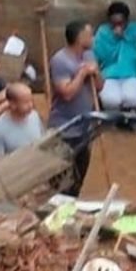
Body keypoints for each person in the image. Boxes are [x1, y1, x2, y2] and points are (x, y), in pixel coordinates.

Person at [49, 20, 103, 196]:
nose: (93, 38)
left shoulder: (90, 55)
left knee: (79, 176)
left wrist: (95, 73)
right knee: (60, 180)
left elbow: (99, 87)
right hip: (65, 128)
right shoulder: (60, 60)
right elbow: (67, 93)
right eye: (90, 35)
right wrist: (82, 73)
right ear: (80, 38)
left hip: (85, 128)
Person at [93, 2, 136, 109]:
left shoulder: (134, 30)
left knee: (131, 100)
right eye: (114, 23)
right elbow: (99, 55)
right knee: (111, 101)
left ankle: (128, 116)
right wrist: (115, 38)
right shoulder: (103, 32)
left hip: (131, 75)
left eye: (121, 23)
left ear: (127, 21)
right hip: (109, 75)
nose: (117, 26)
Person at [0, 83, 43, 157]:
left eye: (31, 101)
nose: (30, 105)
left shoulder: (34, 116)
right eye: (26, 102)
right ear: (13, 105)